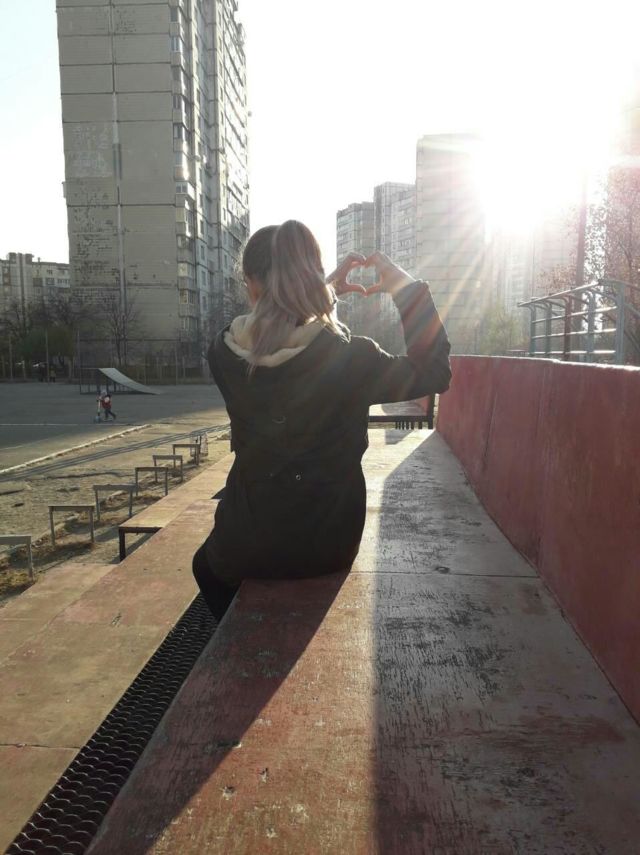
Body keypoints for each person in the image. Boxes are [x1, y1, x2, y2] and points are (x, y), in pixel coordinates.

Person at [192, 220, 451, 621]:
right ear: (310, 279)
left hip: (246, 544)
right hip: (329, 544)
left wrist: (324, 288)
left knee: (204, 567)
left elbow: (284, 330)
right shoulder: (352, 358)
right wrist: (406, 289)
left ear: (251, 285)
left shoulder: (223, 354)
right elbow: (433, 372)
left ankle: (238, 634)